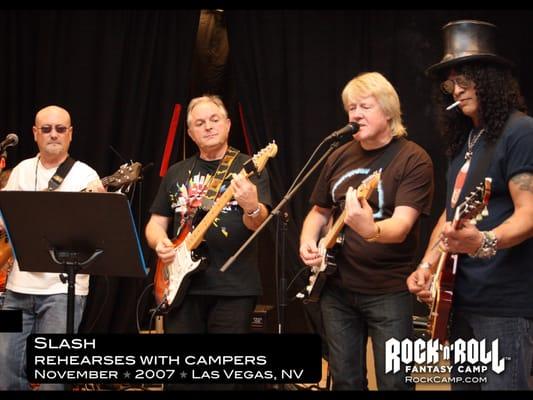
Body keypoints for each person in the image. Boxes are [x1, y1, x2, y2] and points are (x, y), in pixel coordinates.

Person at [406, 20, 533, 390]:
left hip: (503, 307)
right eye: (451, 84)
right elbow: (451, 213)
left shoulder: (520, 131)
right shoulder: (466, 142)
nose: (457, 91)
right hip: (459, 301)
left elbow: (529, 211)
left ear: (491, 80)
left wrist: (485, 242)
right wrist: (428, 265)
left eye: (466, 81)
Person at [299, 72, 434, 390]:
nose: (355, 114)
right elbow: (318, 212)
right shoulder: (338, 155)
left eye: (364, 106)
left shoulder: (413, 159)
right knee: (346, 380)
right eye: (350, 108)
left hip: (387, 290)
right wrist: (308, 241)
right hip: (336, 290)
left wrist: (369, 228)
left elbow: (401, 226)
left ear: (388, 110)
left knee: (394, 382)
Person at [145, 95, 272, 387]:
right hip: (181, 290)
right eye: (199, 123)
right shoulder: (177, 172)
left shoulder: (249, 167)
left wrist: (252, 205)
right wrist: (160, 242)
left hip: (233, 287)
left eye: (214, 120)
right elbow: (155, 224)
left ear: (228, 125)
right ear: (190, 133)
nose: (208, 127)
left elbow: (258, 223)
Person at [0, 105, 105, 390]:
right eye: (46, 129)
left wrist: (99, 208)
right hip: (16, 290)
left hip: (61, 292)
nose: (53, 134)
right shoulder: (21, 170)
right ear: (35, 134)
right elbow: (5, 220)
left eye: (60, 129)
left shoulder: (87, 176)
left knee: (53, 381)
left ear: (70, 134)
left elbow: (99, 237)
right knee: (3, 369)